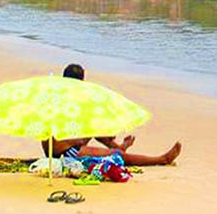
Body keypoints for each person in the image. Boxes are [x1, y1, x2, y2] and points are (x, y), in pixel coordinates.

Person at [43, 63, 182, 166]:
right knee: (118, 157)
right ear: (82, 81)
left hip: (62, 148)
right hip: (65, 153)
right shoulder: (67, 99)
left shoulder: (58, 95)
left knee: (96, 127)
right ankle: (161, 160)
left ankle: (119, 147)